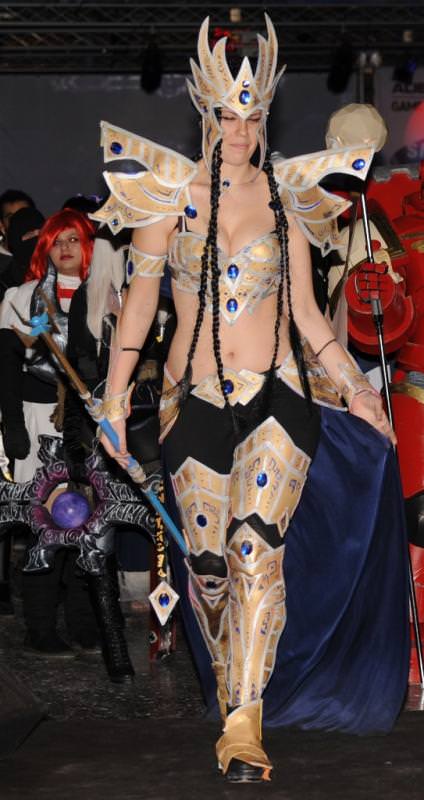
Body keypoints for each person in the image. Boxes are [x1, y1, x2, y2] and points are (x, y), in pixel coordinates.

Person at [95, 16, 409, 783]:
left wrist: (357, 392)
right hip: (192, 399)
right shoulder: (166, 197)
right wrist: (113, 400)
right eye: (227, 116)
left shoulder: (285, 200)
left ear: (265, 119)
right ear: (206, 115)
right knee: (210, 571)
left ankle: (244, 727)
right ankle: (230, 683)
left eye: (251, 117)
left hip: (279, 395)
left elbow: (307, 316)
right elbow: (139, 308)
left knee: (255, 551)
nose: (239, 132)